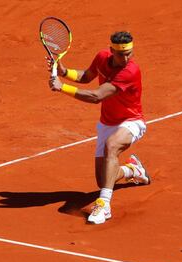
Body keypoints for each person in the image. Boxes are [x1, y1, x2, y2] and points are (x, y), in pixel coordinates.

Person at [48, 31, 151, 224]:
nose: (126, 57)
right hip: (106, 123)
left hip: (131, 122)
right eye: (121, 54)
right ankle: (132, 171)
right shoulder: (102, 57)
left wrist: (62, 87)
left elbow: (96, 96)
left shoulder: (130, 71)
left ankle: (104, 205)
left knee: (112, 146)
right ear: (112, 51)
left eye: (129, 52)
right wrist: (64, 72)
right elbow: (86, 76)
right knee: (103, 179)